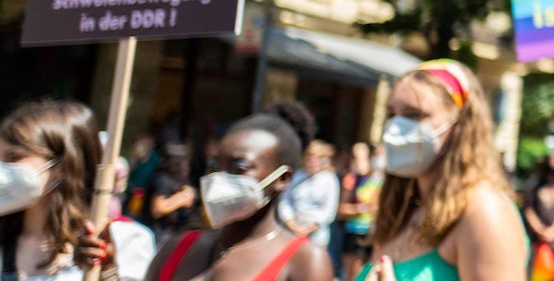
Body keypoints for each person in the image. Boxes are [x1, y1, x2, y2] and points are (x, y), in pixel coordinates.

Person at [356, 59, 529, 280]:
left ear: (460, 123)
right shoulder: (403, 210)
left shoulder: (484, 211)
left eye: (414, 114)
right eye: (392, 115)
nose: (396, 128)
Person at [145, 101, 330, 280]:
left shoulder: (305, 262)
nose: (219, 177)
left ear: (282, 179)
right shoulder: (178, 247)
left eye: (239, 168)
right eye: (215, 165)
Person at [0, 100, 155, 281]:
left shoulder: (124, 240)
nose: (3, 167)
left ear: (62, 166)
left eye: (14, 157)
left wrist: (107, 272)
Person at [277, 140, 341, 252]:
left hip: (317, 234)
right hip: (293, 229)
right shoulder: (297, 176)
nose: (312, 160)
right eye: (309, 157)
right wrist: (291, 223)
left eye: (316, 157)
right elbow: (285, 200)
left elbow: (329, 210)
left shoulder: (329, 179)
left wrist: (310, 228)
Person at [337, 143, 383, 281]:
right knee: (352, 275)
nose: (357, 162)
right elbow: (341, 210)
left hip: (373, 234)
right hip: (353, 233)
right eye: (355, 158)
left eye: (361, 157)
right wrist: (360, 209)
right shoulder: (352, 180)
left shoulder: (383, 180)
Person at [145, 143, 195, 244]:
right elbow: (158, 208)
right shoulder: (162, 179)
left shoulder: (178, 178)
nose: (186, 164)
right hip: (159, 233)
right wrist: (182, 198)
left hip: (173, 231)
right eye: (183, 161)